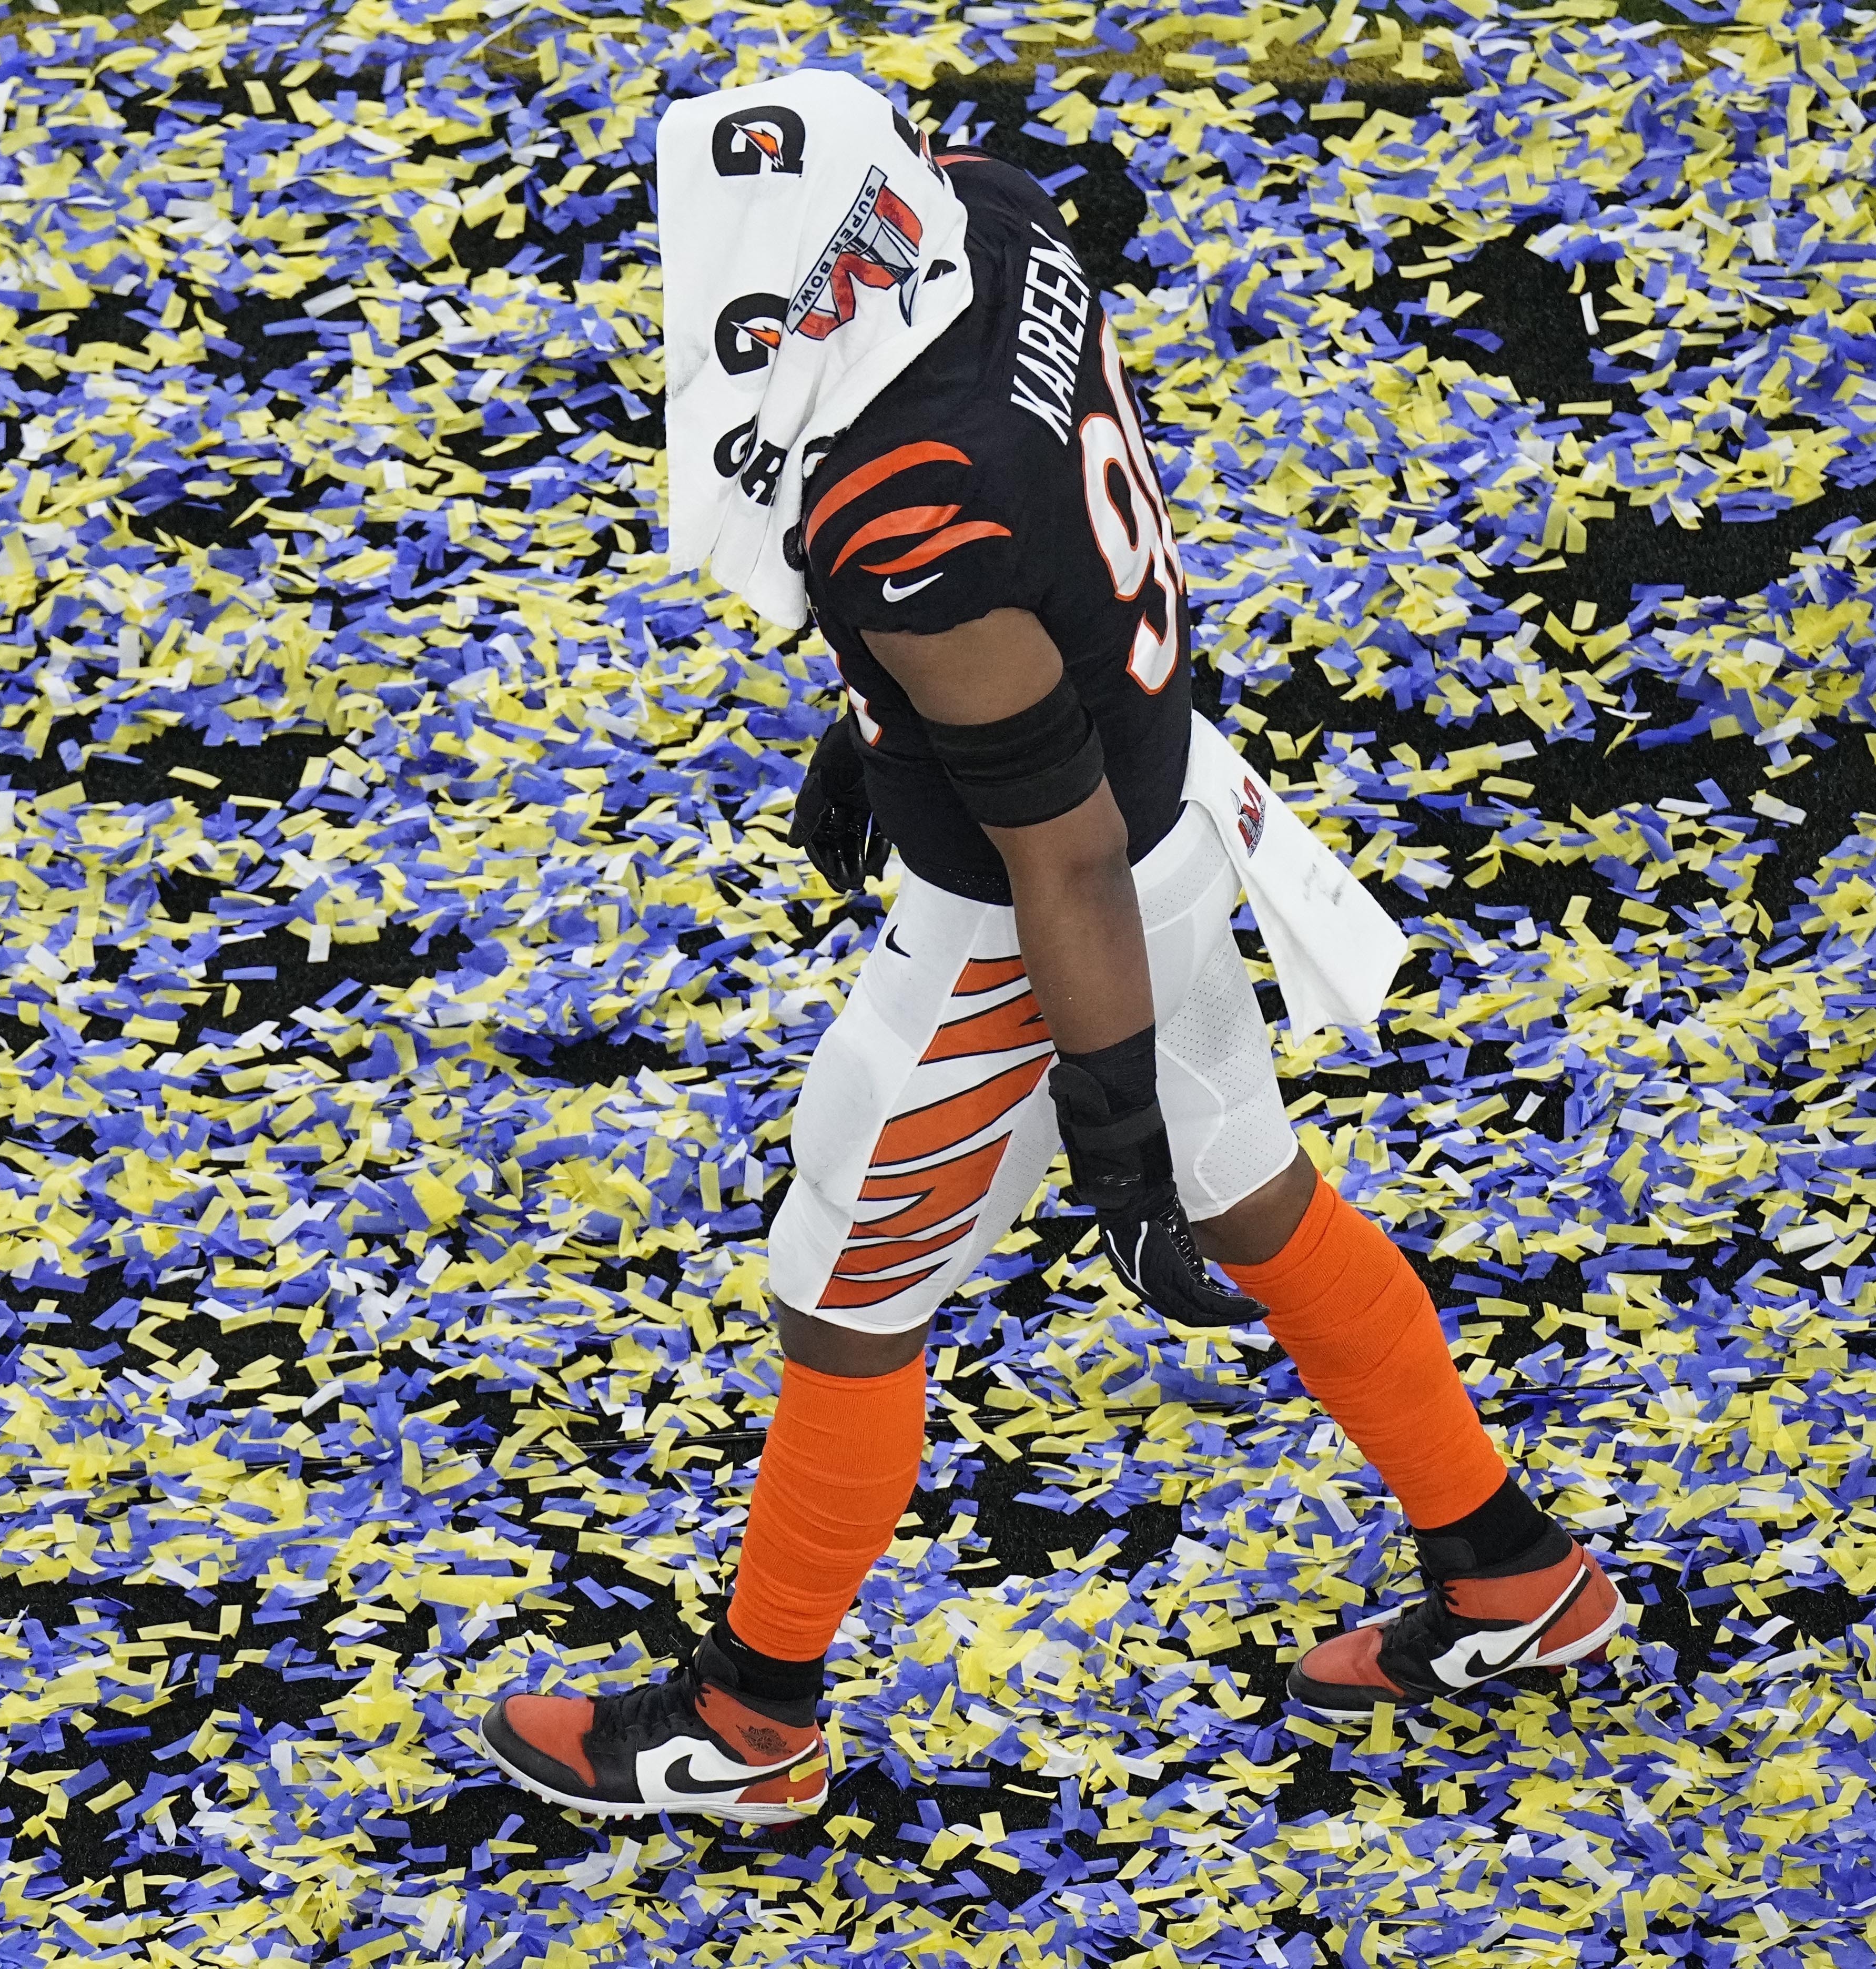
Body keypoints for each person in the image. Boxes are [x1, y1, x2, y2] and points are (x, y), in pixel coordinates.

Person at [475, 71, 1623, 1826]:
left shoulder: (904, 509)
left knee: (844, 1304)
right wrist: (891, 723)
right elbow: (1039, 562)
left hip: (1031, 926)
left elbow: (1054, 858)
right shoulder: (993, 217)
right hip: (1169, 810)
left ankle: (751, 1720)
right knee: (1270, 1209)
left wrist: (1110, 1135)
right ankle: (1510, 1572)